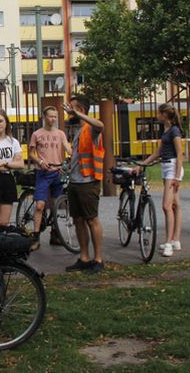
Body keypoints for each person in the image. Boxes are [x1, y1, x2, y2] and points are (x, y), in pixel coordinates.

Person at [62, 96, 106, 274]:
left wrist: (79, 113)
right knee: (78, 220)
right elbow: (77, 155)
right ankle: (84, 257)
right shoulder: (79, 131)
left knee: (91, 219)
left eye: (71, 108)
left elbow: (101, 125)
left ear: (80, 109)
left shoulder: (91, 129)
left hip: (88, 182)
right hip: (74, 182)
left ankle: (98, 259)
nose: (68, 111)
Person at [137, 103, 184, 257]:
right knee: (175, 205)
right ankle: (175, 239)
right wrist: (144, 163)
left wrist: (177, 176)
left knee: (166, 206)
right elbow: (158, 152)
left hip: (172, 168)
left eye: (158, 113)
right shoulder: (167, 130)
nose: (156, 115)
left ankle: (169, 243)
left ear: (165, 114)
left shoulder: (175, 131)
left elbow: (179, 153)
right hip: (166, 168)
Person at [28, 106, 73, 250]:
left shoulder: (60, 134)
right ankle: (35, 237)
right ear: (44, 117)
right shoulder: (37, 134)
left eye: (55, 116)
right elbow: (31, 153)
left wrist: (72, 154)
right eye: (50, 116)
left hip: (58, 172)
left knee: (55, 205)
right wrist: (40, 162)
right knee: (40, 205)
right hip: (43, 173)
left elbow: (67, 148)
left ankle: (55, 234)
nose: (53, 119)